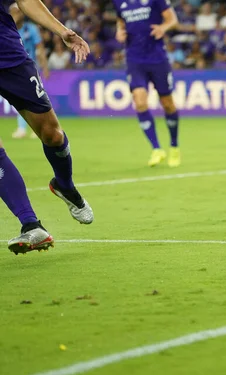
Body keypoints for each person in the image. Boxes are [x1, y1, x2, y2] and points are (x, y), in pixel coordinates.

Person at [0, 0, 94, 254]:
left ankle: (64, 184)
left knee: (52, 135)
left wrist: (62, 31)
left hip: (8, 58)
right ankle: (31, 224)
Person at [114, 0, 181, 167]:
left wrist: (163, 28)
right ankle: (156, 149)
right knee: (140, 101)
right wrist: (120, 31)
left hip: (157, 58)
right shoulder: (119, 2)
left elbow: (173, 20)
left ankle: (174, 146)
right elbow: (121, 20)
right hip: (134, 60)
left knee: (167, 104)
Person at [10, 3, 49, 139]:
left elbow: (40, 48)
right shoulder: (7, 30)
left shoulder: (31, 29)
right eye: (15, 12)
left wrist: (45, 67)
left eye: (19, 12)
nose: (17, 14)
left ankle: (37, 128)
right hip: (12, 69)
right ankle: (23, 128)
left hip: (31, 69)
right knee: (21, 100)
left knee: (35, 100)